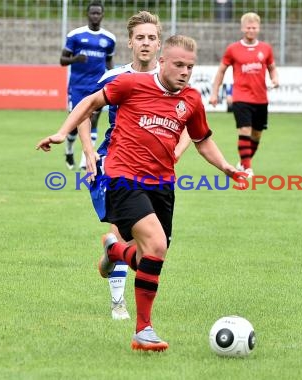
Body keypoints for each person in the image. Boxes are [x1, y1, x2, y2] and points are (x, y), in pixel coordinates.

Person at [36, 35, 239, 352]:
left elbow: (201, 140)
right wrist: (63, 132)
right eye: (178, 64)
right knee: (156, 245)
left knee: (148, 258)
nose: (185, 71)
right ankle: (143, 331)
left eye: (190, 66)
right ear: (162, 61)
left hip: (162, 184)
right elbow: (89, 103)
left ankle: (114, 250)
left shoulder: (192, 100)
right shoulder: (130, 84)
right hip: (123, 178)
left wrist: (226, 166)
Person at [89, 11, 190, 321]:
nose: (146, 43)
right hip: (116, 162)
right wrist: (89, 151)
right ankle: (119, 303)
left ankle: (112, 253)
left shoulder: (171, 79)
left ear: (159, 44)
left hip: (157, 168)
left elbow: (189, 122)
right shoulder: (114, 77)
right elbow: (87, 110)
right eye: (140, 38)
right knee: (122, 228)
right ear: (130, 42)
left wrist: (176, 151)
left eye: (151, 38)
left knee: (152, 248)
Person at [209, 12, 279, 177]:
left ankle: (243, 161)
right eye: (248, 27)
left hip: (261, 98)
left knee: (256, 134)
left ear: (258, 28)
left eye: (254, 27)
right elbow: (221, 71)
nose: (251, 30)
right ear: (242, 28)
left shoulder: (266, 49)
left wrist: (275, 78)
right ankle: (247, 168)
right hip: (241, 97)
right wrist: (214, 93)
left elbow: (272, 68)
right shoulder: (233, 49)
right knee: (245, 130)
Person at [60, 0, 115, 170]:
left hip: (96, 86)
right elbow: (62, 60)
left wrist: (112, 79)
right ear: (88, 14)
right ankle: (69, 150)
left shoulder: (109, 39)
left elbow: (109, 62)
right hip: (77, 86)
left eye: (98, 13)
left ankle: (86, 161)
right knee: (76, 124)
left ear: (102, 15)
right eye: (93, 13)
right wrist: (76, 59)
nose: (95, 16)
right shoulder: (75, 36)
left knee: (94, 120)